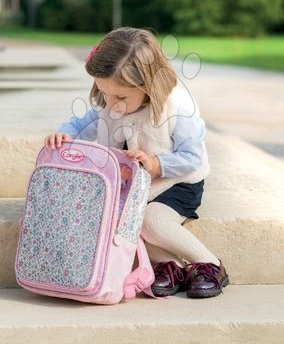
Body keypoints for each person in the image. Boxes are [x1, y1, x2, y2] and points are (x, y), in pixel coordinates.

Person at [45, 27, 229, 299]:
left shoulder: (178, 108)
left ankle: (210, 264)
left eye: (120, 97)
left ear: (148, 87)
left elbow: (193, 159)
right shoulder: (111, 99)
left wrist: (156, 164)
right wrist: (65, 134)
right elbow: (81, 122)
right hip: (135, 184)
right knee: (119, 217)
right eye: (103, 91)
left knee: (150, 221)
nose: (110, 102)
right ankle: (171, 266)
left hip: (176, 182)